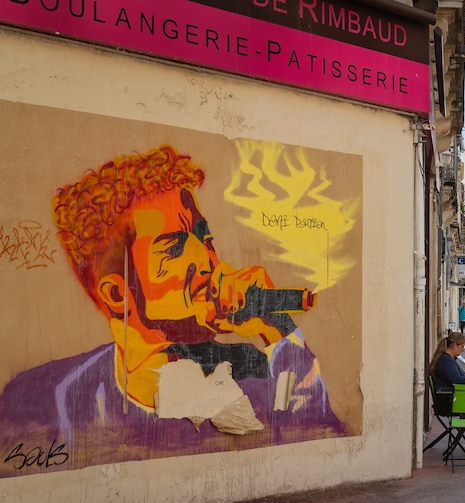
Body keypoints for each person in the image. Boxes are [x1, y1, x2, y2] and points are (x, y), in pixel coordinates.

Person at [0, 146, 346, 477]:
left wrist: (276, 326)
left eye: (204, 238)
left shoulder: (258, 375)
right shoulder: (47, 400)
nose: (210, 261)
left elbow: (319, 448)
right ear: (119, 294)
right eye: (175, 248)